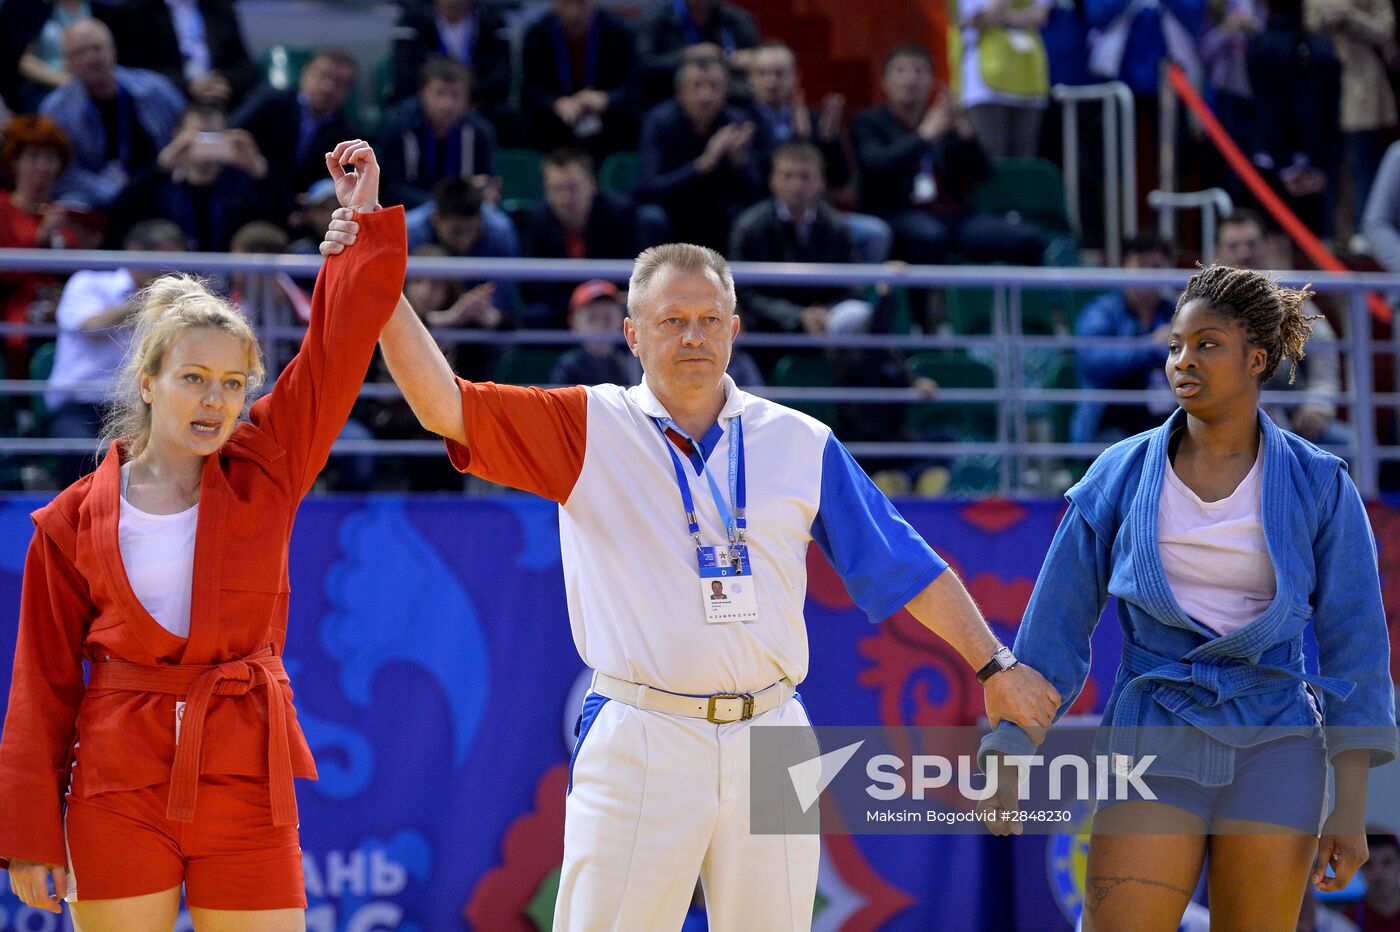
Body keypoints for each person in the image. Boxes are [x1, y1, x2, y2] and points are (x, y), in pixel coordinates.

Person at [322, 217, 1060, 930]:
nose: (694, 335)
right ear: (633, 334)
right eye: (672, 320)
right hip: (644, 732)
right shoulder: (588, 424)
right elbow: (441, 404)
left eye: (710, 319)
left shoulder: (800, 442)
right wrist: (383, 281)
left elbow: (907, 567)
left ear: (735, 330)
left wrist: (994, 665)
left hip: (773, 735)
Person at [0, 141, 405, 927]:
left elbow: (336, 350)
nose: (215, 401)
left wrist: (361, 228)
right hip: (118, 784)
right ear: (147, 384)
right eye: (193, 379)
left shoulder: (269, 466)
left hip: (247, 777)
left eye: (231, 383)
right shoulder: (71, 518)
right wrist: (27, 833)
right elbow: (42, 683)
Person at [980, 265, 1397, 930]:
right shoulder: (1116, 474)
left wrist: (1350, 809)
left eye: (1207, 344)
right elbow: (1054, 629)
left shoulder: (1322, 484)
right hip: (1153, 734)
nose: (1183, 360)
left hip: (1276, 738)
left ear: (1256, 359)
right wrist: (1010, 744)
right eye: (1176, 344)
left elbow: (1357, 652)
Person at [851, 44, 1046, 266]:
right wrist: (924, 136)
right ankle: (928, 302)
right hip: (898, 213)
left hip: (953, 216)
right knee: (928, 235)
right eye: (901, 71)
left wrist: (966, 136)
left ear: (932, 81)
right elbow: (876, 165)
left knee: (1027, 238)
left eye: (919, 71)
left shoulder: (945, 122)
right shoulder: (868, 122)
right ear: (884, 82)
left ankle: (1017, 301)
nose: (910, 79)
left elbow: (982, 173)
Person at [44, 218, 191, 486]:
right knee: (82, 456)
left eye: (175, 264)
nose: (168, 273)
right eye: (163, 262)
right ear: (135, 251)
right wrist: (147, 302)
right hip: (79, 404)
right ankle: (76, 523)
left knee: (170, 455)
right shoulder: (88, 282)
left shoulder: (173, 303)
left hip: (137, 406)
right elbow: (91, 326)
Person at [1214, 210, 1346, 445]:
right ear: (1219, 253)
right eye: (1234, 246)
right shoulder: (1202, 305)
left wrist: (1317, 405)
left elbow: (1324, 350)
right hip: (1225, 418)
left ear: (1266, 246)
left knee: (1348, 443)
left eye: (1251, 244)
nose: (1244, 253)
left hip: (1296, 419)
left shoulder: (1291, 297)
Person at [40, 18, 185, 209]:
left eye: (96, 48)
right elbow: (65, 173)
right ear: (67, 63)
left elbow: (186, 131)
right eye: (79, 52)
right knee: (73, 204)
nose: (91, 58)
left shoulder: (155, 89)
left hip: (161, 181)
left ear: (113, 50)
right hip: (99, 195)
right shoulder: (56, 109)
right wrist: (120, 194)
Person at [635, 54, 764, 252]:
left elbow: (756, 195)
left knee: (748, 218)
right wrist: (702, 165)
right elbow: (649, 188)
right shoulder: (659, 121)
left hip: (717, 212)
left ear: (726, 92)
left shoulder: (737, 122)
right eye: (696, 86)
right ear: (679, 93)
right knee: (651, 217)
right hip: (674, 208)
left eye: (714, 86)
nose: (706, 96)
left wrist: (741, 163)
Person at [106, 104, 273, 252]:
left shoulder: (241, 182)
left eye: (214, 135)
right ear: (177, 136)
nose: (206, 143)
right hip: (171, 275)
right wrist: (159, 167)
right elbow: (118, 215)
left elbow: (282, 220)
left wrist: (259, 170)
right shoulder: (159, 183)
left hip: (230, 276)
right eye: (199, 135)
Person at [0, 114, 85, 379]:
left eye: (50, 158)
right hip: (13, 315)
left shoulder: (66, 214)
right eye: (33, 157)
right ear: (15, 162)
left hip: (62, 312)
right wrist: (40, 237)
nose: (42, 166)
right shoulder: (2, 207)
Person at [1070, 233, 1175, 443]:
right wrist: (1152, 345)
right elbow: (1093, 361)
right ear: (1123, 267)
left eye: (1156, 268)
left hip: (1166, 417)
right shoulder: (1101, 312)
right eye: (1141, 266)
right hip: (1110, 421)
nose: (1149, 276)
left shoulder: (1174, 312)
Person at [231, 47, 360, 214]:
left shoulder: (347, 132)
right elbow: (232, 132)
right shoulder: (271, 101)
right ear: (305, 73)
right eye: (323, 76)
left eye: (340, 83)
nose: (328, 87)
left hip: (308, 209)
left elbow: (342, 181)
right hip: (254, 195)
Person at [520, 0, 640, 159]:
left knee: (630, 119)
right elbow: (530, 90)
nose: (574, 13)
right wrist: (555, 104)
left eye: (580, 4)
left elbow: (633, 86)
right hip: (555, 119)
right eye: (567, 4)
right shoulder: (538, 34)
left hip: (604, 117)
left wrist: (606, 99)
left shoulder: (618, 31)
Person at [378, 58, 497, 211]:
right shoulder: (399, 126)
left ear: (468, 98)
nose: (447, 104)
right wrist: (440, 204)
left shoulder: (480, 131)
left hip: (464, 209)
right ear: (422, 94)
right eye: (439, 93)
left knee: (499, 224)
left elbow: (487, 180)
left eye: (455, 95)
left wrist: (487, 191)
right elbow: (392, 187)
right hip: (414, 208)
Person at [955, 0, 1051, 158]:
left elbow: (1039, 15)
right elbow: (981, 18)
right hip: (984, 88)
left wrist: (1005, 19)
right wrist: (1014, 16)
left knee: (1023, 164)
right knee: (991, 160)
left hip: (1028, 77)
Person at [634, 0, 759, 107]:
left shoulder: (735, 19)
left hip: (728, 98)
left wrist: (745, 59)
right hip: (668, 96)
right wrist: (687, 55)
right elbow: (644, 63)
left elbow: (755, 56)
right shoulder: (656, 18)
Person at [1344, 833, 1400, 929]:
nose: (1377, 872)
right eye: (1369, 864)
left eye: (1387, 862)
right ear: (1359, 868)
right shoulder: (1345, 922)